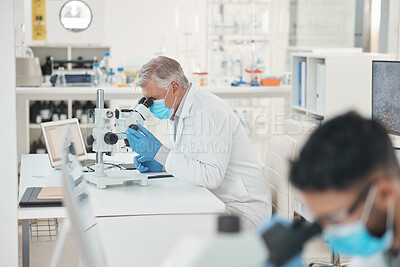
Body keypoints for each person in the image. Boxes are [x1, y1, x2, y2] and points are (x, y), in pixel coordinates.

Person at [126, 56, 271, 230]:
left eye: (153, 99)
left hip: (241, 210)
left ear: (174, 88)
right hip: (214, 199)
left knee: (165, 227)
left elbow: (211, 176)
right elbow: (194, 159)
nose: (149, 106)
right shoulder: (179, 108)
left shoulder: (208, 112)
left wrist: (160, 153)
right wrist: (163, 164)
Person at [289, 112, 400, 266]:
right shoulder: (378, 251)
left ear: (384, 193)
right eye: (321, 222)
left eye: (334, 218)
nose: (330, 233)